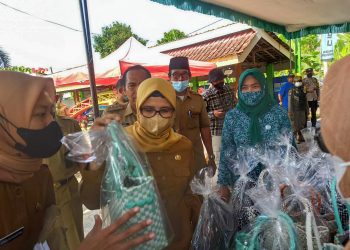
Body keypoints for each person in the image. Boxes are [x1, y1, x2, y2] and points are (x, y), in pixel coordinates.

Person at [0, 71, 154, 250]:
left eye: (51, 112)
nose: (51, 124)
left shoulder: (38, 178)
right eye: (40, 114)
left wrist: (93, 146)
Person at [90, 78, 200, 249]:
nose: (157, 117)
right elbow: (91, 200)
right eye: (148, 109)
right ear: (138, 109)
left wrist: (199, 230)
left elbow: (192, 193)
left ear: (173, 111)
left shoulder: (183, 145)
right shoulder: (121, 143)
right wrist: (96, 154)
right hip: (136, 243)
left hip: (179, 241)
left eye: (165, 110)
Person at [218, 68, 292, 202]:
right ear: (239, 91)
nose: (250, 91)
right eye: (245, 88)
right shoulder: (232, 117)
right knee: (246, 221)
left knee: (271, 222)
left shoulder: (278, 114)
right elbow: (226, 151)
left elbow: (290, 149)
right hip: (243, 186)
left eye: (255, 86)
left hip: (274, 185)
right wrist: (223, 185)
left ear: (263, 88)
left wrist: (287, 180)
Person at [43, 102, 84, 250]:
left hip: (69, 191)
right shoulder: (25, 128)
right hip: (43, 199)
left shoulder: (70, 126)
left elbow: (85, 164)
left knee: (76, 240)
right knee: (52, 241)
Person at [169, 57, 216, 175]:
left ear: (189, 76)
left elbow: (205, 129)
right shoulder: (163, 101)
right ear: (169, 76)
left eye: (184, 75)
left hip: (196, 158)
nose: (180, 79)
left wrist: (211, 156)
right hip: (171, 159)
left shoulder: (198, 99)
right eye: (175, 75)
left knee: (199, 192)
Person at [202, 68, 235, 166]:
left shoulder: (228, 90)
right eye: (216, 81)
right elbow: (201, 116)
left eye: (221, 80)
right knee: (218, 159)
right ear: (212, 82)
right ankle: (218, 180)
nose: (219, 82)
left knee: (232, 156)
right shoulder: (206, 95)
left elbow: (234, 104)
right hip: (216, 133)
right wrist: (213, 114)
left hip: (231, 129)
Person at [288, 78, 308, 143]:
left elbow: (306, 101)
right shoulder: (292, 91)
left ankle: (300, 137)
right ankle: (294, 139)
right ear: (294, 82)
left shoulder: (303, 90)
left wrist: (307, 110)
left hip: (302, 110)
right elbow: (290, 102)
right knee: (295, 125)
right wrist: (290, 112)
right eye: (297, 81)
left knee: (302, 124)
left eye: (299, 81)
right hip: (295, 111)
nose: (298, 82)